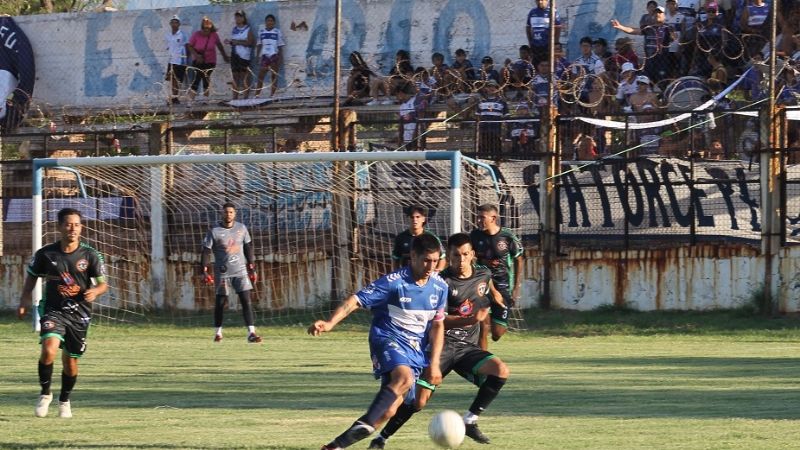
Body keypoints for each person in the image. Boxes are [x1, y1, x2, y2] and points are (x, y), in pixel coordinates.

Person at [367, 233, 510, 449]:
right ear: (448, 256)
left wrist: (500, 305)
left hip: (466, 349)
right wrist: (468, 319)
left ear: (472, 254)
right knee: (418, 402)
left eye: (464, 254)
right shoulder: (440, 282)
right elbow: (436, 322)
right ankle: (381, 438)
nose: (460, 260)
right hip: (439, 348)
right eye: (455, 255)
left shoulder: (484, 275)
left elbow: (490, 297)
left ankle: (470, 420)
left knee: (500, 370)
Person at [309, 233, 448, 450]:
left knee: (389, 411)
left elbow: (438, 325)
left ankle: (335, 447)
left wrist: (436, 363)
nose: (431, 266)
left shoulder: (440, 287)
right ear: (413, 256)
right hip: (387, 338)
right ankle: (366, 422)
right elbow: (356, 300)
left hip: (415, 350)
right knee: (405, 378)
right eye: (426, 260)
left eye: (435, 260)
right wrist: (330, 323)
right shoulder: (394, 282)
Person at [17, 207, 109, 418]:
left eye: (76, 224)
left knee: (70, 362)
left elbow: (103, 285)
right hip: (53, 310)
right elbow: (31, 277)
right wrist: (24, 300)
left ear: (81, 227)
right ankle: (45, 394)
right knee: (49, 349)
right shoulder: (46, 254)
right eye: (68, 224)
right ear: (59, 227)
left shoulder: (90, 255)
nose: (73, 229)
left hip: (80, 314)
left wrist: (95, 290)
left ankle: (64, 400)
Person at [201, 203, 262, 343]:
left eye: (231, 212)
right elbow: (206, 251)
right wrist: (204, 270)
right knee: (221, 302)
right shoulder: (214, 231)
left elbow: (248, 248)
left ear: (234, 214)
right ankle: (218, 333)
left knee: (246, 300)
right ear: (221, 214)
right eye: (226, 212)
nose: (228, 214)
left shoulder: (242, 228)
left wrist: (252, 268)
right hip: (222, 273)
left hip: (240, 271)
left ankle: (251, 333)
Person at [470, 204, 523, 341]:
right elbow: (469, 257)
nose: (479, 221)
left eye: (483, 218)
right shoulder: (474, 236)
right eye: (478, 217)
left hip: (503, 286)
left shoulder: (507, 236)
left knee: (497, 334)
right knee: (483, 326)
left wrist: (517, 287)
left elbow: (519, 259)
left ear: (493, 218)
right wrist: (483, 262)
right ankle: (481, 360)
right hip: (482, 285)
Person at [611, 6, 676, 83]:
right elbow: (633, 31)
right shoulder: (648, 28)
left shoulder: (667, 28)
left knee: (662, 82)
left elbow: (674, 38)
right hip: (649, 60)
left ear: (664, 15)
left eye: (660, 12)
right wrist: (620, 27)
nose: (657, 14)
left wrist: (671, 32)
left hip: (662, 60)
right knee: (647, 82)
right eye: (655, 13)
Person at [188, 17, 229, 105]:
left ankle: (205, 100)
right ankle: (190, 101)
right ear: (201, 28)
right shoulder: (196, 34)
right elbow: (189, 46)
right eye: (204, 29)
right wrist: (196, 55)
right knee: (197, 78)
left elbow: (219, 45)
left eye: (208, 29)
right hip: (198, 61)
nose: (206, 31)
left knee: (206, 78)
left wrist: (224, 56)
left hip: (210, 60)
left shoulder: (214, 35)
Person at [392, 206, 446, 271]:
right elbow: (396, 259)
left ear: (423, 219)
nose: (415, 220)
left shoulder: (432, 237)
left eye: (418, 217)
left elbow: (442, 257)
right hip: (407, 276)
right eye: (412, 217)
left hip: (426, 275)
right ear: (408, 219)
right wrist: (397, 273)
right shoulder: (400, 237)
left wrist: (437, 271)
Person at [225, 10, 255, 100]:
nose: (238, 18)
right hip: (235, 55)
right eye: (236, 17)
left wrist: (237, 42)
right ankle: (235, 97)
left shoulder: (248, 29)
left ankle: (245, 97)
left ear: (243, 18)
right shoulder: (234, 29)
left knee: (244, 76)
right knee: (235, 77)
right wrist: (230, 42)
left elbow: (250, 42)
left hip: (244, 56)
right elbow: (234, 42)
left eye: (240, 16)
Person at [475, 80, 508, 157]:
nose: (491, 88)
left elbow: (506, 115)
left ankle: (497, 157)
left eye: (494, 87)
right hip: (484, 126)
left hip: (496, 126)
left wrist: (504, 128)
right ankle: (483, 157)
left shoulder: (502, 101)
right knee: (484, 143)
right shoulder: (481, 101)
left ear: (497, 89)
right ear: (486, 88)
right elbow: (477, 115)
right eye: (489, 86)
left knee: (496, 143)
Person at [255, 14, 285, 98]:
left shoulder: (277, 32)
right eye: (268, 20)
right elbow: (259, 45)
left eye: (271, 20)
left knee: (274, 76)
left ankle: (272, 95)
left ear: (274, 22)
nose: (270, 22)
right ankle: (257, 95)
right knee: (260, 76)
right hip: (265, 56)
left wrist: (281, 58)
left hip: (274, 56)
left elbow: (280, 45)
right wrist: (257, 56)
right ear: (265, 22)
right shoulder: (261, 32)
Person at [164, 15, 189, 105]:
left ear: (179, 24)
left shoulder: (183, 35)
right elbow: (168, 47)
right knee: (171, 79)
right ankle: (173, 98)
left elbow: (187, 47)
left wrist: (188, 60)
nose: (174, 24)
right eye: (173, 22)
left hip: (180, 60)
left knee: (178, 80)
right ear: (170, 24)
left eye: (176, 22)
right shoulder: (167, 35)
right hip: (171, 60)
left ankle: (175, 98)